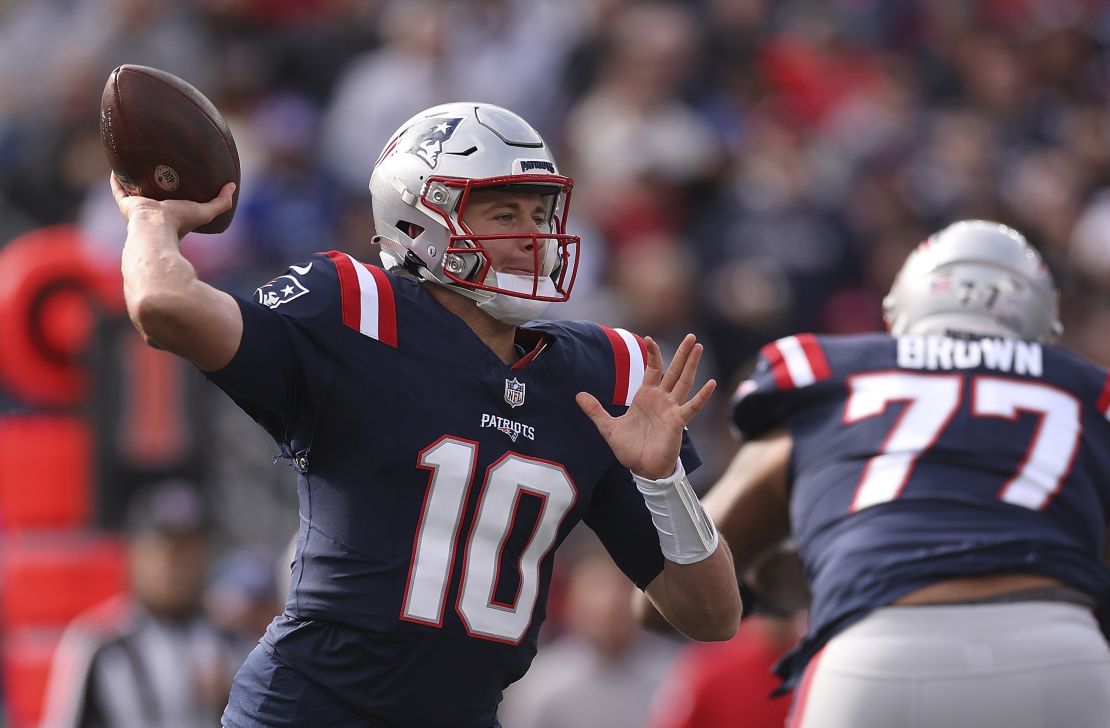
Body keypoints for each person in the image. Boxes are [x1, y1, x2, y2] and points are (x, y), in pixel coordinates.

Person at [111, 101, 741, 727]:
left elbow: (713, 616)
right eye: (502, 212)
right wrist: (148, 216)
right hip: (309, 711)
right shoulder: (357, 311)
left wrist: (667, 485)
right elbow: (163, 303)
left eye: (539, 213)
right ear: (417, 221)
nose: (532, 237)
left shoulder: (603, 375)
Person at [690, 220, 1110, 728]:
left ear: (903, 305)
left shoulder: (831, 374)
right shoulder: (1087, 393)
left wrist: (778, 577)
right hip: (1061, 652)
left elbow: (686, 569)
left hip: (876, 651)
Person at [41, 480, 237, 728]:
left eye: (190, 551)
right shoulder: (100, 642)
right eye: (165, 551)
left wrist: (233, 696)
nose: (179, 566)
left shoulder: (232, 638)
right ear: (135, 554)